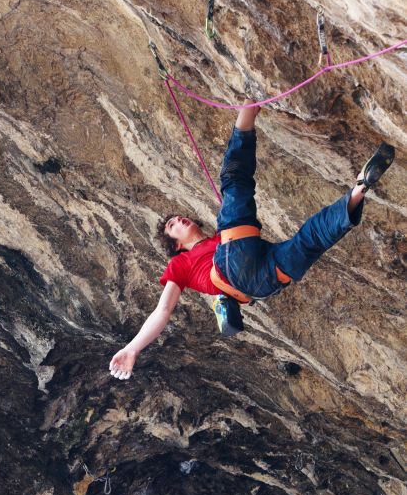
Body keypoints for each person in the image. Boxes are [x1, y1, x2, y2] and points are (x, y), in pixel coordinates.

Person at [109, 101, 395, 380]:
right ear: (176, 246)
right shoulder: (180, 265)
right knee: (234, 180)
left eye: (179, 218)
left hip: (264, 282)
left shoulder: (218, 240)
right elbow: (163, 310)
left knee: (312, 238)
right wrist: (132, 348)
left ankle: (359, 189)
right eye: (173, 226)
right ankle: (247, 113)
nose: (180, 220)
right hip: (232, 265)